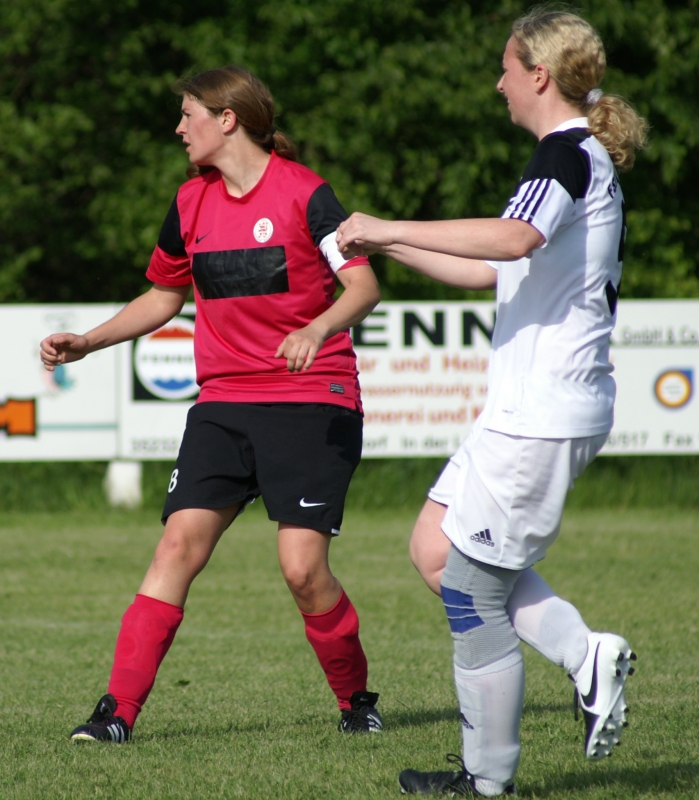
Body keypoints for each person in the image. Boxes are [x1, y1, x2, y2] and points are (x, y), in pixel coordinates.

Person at [337, 8, 648, 796]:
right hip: (523, 411)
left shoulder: (564, 155)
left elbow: (510, 242)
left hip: (540, 414)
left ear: (538, 75)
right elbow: (490, 269)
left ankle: (486, 780)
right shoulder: (567, 158)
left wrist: (387, 222)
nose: (498, 81)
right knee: (436, 549)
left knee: (471, 591)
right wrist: (384, 243)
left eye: (507, 67)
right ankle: (585, 654)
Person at [40, 65, 383, 743]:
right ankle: (115, 716)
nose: (178, 127)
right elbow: (164, 297)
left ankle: (356, 702)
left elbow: (363, 286)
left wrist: (316, 329)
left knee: (301, 571)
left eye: (188, 113)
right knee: (176, 546)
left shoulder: (305, 193)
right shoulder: (189, 202)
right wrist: (89, 341)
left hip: (312, 399)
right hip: (223, 403)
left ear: (227, 118)